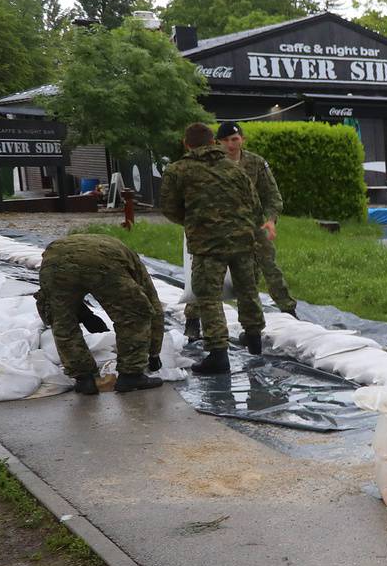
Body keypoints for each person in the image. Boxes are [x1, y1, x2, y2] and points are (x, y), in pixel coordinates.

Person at [160, 121, 264, 375]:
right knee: (247, 289)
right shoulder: (236, 168)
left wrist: (193, 221)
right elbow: (254, 204)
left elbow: (170, 208)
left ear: (187, 144)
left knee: (209, 297)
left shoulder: (178, 170)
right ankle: (254, 339)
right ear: (213, 142)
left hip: (207, 245)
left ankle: (218, 354)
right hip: (242, 241)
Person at [185, 121, 295, 338]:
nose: (230, 145)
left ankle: (288, 310)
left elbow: (272, 195)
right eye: (225, 140)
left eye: (234, 139)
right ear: (217, 142)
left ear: (242, 140)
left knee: (266, 265)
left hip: (251, 225)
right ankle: (193, 318)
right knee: (206, 275)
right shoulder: (211, 164)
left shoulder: (255, 163)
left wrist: (271, 219)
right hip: (217, 227)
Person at [34, 233, 166, 395]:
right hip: (103, 262)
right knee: (134, 315)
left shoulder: (63, 251)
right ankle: (131, 375)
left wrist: (85, 315)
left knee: (63, 322)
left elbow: (55, 304)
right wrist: (153, 354)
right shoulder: (131, 260)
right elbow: (152, 309)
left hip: (54, 260)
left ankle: (84, 379)